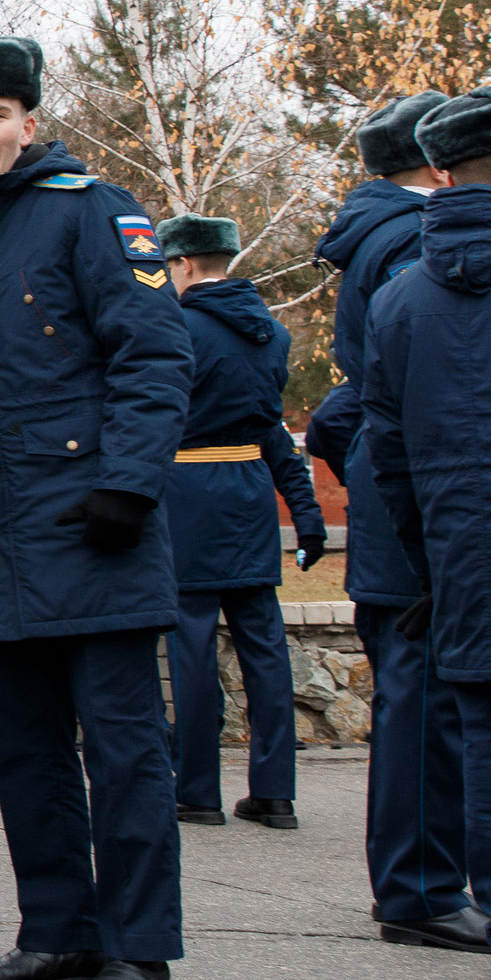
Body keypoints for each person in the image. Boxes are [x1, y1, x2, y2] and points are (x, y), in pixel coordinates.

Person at [0, 38, 192, 980]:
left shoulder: (92, 211)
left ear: (28, 123)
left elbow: (155, 354)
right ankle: (59, 932)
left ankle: (140, 951)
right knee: (27, 753)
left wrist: (129, 484)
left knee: (124, 756)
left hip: (92, 529)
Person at [363, 80, 491, 980]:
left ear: (442, 173)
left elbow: (387, 454)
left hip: (468, 557)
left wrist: (433, 556)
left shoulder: (400, 299)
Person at [309, 92, 487, 953]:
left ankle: (427, 878)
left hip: (393, 481)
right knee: (424, 699)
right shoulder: (413, 240)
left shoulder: (382, 231)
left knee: (423, 691)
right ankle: (419, 888)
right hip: (415, 488)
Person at [154, 213, 324, 832]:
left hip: (187, 493)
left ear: (182, 263)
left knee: (193, 644)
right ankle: (275, 792)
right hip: (249, 493)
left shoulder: (174, 325)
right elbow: (272, 430)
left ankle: (197, 790)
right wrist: (306, 514)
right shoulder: (271, 333)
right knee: (264, 645)